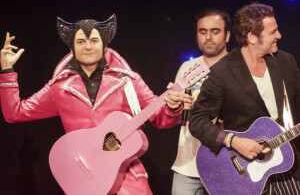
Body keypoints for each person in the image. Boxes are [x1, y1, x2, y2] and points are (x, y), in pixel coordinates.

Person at [0, 14, 186, 195]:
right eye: (81, 41)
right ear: (71, 48)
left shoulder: (128, 81)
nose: (88, 46)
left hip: (125, 175)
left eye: (94, 41)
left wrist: (172, 106)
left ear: (104, 46)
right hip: (84, 179)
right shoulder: (59, 87)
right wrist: (7, 70)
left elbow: (160, 118)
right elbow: (14, 113)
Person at [189, 3, 300, 194]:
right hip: (245, 174)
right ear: (252, 37)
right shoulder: (222, 72)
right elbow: (197, 121)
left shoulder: (285, 62)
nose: (279, 36)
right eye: (273, 32)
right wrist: (232, 140)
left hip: (286, 168)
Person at [171, 9, 231, 195]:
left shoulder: (238, 68)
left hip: (226, 165)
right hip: (187, 166)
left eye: (215, 31)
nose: (208, 37)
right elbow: (176, 117)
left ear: (227, 35)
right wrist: (172, 106)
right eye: (202, 32)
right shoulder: (187, 67)